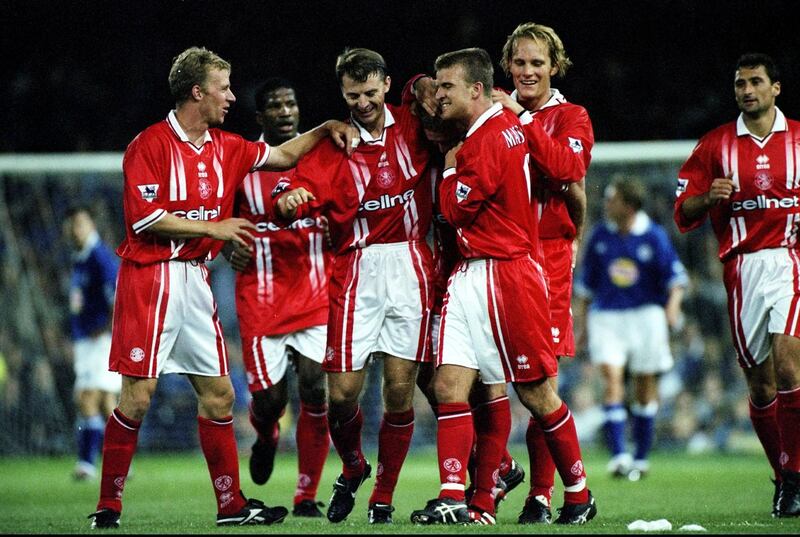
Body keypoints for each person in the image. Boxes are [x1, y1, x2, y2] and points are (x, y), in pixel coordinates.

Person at [86, 46, 357, 529]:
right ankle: (108, 507)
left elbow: (284, 153)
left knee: (219, 397)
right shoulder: (148, 145)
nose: (230, 97)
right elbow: (145, 220)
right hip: (151, 279)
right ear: (197, 92)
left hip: (195, 282)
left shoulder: (227, 147)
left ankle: (232, 507)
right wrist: (215, 229)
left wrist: (325, 129)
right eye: (223, 88)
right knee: (137, 396)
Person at [409, 47, 596, 526]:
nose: (441, 95)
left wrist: (450, 166)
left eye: (447, 86)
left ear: (475, 90)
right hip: (472, 273)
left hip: (507, 274)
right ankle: (456, 494)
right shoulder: (488, 129)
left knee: (535, 393)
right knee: (449, 384)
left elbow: (455, 209)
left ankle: (577, 491)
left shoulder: (492, 136)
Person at [273, 48, 434, 524]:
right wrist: (290, 200)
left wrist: (423, 84)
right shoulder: (332, 145)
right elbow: (286, 196)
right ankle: (354, 465)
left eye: (369, 92)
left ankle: (382, 496)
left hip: (409, 263)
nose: (362, 103)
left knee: (400, 392)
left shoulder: (415, 123)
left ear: (386, 84)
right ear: (342, 93)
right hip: (355, 271)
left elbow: (451, 90)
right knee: (341, 394)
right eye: (352, 95)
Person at [674, 52, 800, 518]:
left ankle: (795, 479)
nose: (747, 90)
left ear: (775, 88)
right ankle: (786, 477)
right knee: (761, 386)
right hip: (742, 269)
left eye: (755, 81)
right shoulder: (715, 146)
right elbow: (682, 210)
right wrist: (708, 198)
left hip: (789, 261)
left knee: (789, 370)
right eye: (739, 84)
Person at [491, 21, 595, 523]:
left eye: (538, 62)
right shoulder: (492, 112)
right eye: (520, 62)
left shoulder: (571, 117)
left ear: (555, 66)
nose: (528, 71)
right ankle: (492, 476)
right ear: (507, 65)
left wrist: (520, 120)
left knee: (540, 381)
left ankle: (541, 493)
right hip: (493, 260)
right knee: (475, 379)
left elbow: (566, 170)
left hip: (547, 261)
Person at [225, 77, 331, 518]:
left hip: (315, 292)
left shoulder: (323, 158)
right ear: (260, 117)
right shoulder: (244, 165)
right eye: (276, 106)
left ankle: (306, 494)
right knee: (272, 401)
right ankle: (266, 433)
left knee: (315, 387)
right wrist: (226, 245)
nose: (286, 112)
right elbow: (218, 220)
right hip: (262, 297)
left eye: (291, 104)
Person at [574, 176, 687, 481]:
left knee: (644, 386)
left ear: (627, 204)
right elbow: (586, 288)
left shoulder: (653, 236)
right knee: (611, 380)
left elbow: (675, 279)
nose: (606, 204)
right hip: (607, 316)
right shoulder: (600, 236)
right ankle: (619, 456)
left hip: (646, 316)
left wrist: (672, 307)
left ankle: (640, 457)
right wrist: (581, 327)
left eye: (612, 199)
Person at [64, 205, 121, 481]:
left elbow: (117, 295)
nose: (75, 230)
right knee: (106, 402)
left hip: (99, 338)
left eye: (80, 224)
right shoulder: (80, 257)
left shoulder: (100, 257)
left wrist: (106, 328)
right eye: (72, 225)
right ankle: (122, 458)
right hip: (86, 338)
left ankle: (87, 463)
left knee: (88, 397)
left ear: (92, 226)